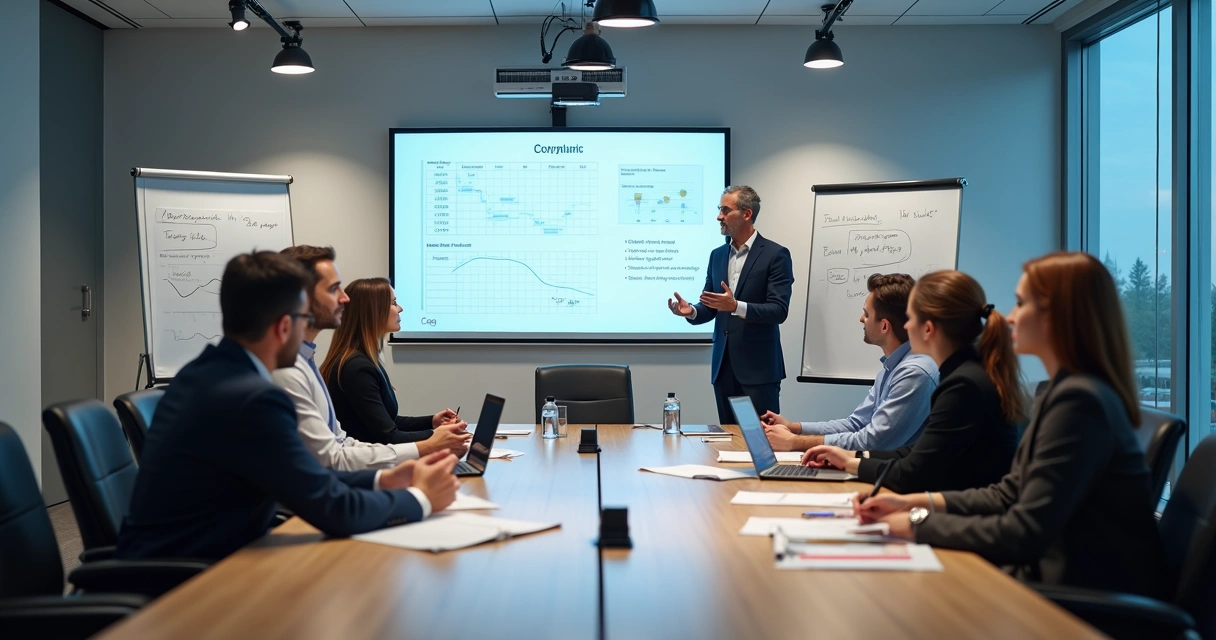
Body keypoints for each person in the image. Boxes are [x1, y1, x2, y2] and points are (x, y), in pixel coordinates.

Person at [855, 252, 1167, 597]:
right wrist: (914, 504)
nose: (1011, 316)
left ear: (1059, 316)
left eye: (1021, 303)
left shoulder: (1080, 403)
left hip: (1079, 599)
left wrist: (917, 523)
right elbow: (1008, 493)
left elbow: (1024, 531)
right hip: (1055, 578)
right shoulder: (1060, 392)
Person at [117, 251, 460, 562]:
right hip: (184, 583)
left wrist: (383, 480)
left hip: (204, 557)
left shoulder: (208, 373)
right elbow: (332, 507)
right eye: (302, 320)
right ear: (284, 327)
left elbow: (311, 474)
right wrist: (422, 498)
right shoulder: (252, 399)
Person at [801, 270, 1021, 493]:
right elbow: (916, 452)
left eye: (911, 318)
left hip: (964, 512)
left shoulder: (963, 385)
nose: (905, 326)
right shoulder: (964, 374)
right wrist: (851, 456)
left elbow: (914, 471)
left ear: (928, 329)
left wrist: (851, 463)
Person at [272, 246, 470, 470]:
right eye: (334, 289)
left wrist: (432, 426)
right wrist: (432, 440)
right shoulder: (347, 367)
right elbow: (338, 456)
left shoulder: (311, 361)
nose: (344, 299)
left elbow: (344, 443)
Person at [760, 274, 937, 452]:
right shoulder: (893, 367)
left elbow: (872, 442)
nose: (861, 319)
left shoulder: (915, 373)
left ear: (884, 326)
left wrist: (795, 442)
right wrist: (794, 427)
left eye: (866, 314)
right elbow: (856, 423)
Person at [667, 185, 794, 423]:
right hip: (723, 368)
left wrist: (736, 306)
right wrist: (692, 311)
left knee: (761, 443)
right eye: (719, 210)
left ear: (747, 213)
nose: (719, 217)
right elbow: (712, 305)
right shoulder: (717, 255)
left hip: (758, 371)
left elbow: (778, 310)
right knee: (728, 439)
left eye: (725, 210)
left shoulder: (776, 255)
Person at [322, 277, 462, 445]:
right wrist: (439, 435)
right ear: (374, 311)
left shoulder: (363, 360)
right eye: (394, 303)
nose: (400, 309)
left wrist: (432, 421)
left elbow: (388, 422)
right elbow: (389, 437)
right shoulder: (357, 368)